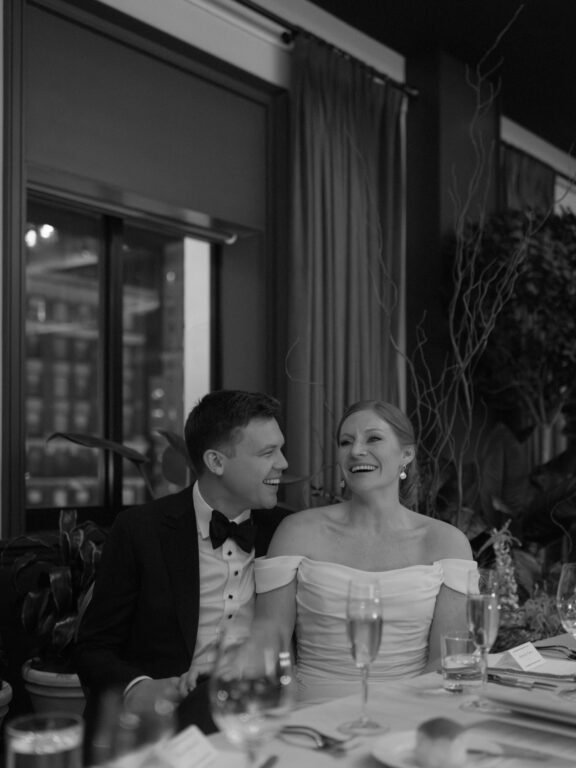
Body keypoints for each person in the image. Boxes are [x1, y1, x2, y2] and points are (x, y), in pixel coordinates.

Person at [73, 389, 289, 741]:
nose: (283, 463)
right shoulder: (141, 530)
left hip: (250, 712)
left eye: (280, 449)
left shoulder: (285, 531)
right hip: (162, 720)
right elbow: (92, 648)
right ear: (216, 462)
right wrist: (140, 687)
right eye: (268, 453)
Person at [254, 399, 476, 704]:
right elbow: (271, 642)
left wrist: (402, 718)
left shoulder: (447, 542)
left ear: (406, 454)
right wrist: (291, 712)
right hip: (308, 710)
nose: (356, 450)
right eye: (346, 442)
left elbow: (447, 659)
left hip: (411, 710)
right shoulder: (297, 532)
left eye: (373, 438)